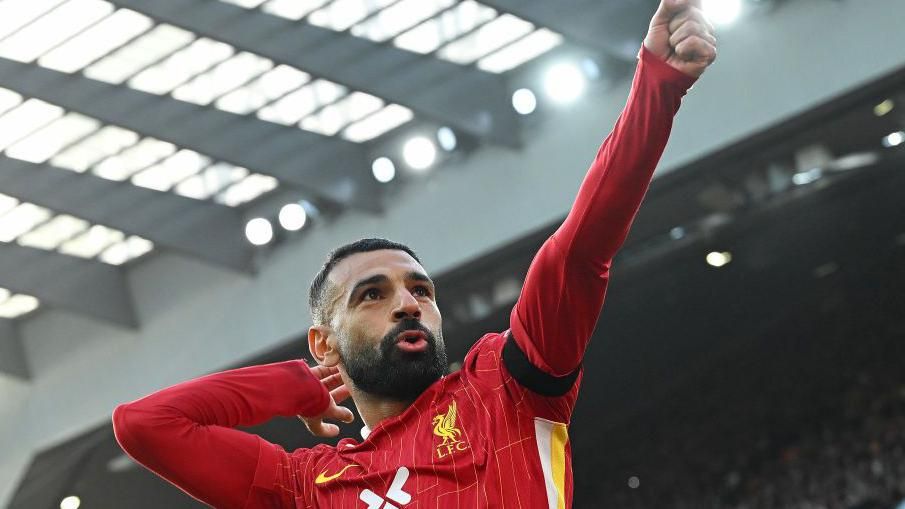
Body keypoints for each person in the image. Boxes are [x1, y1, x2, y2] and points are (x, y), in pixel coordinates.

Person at [112, 1, 716, 507]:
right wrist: (295, 386)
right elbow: (145, 425)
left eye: (421, 290)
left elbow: (579, 251)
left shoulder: (505, 388)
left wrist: (656, 89)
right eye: (372, 294)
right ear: (324, 343)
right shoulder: (306, 487)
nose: (408, 305)